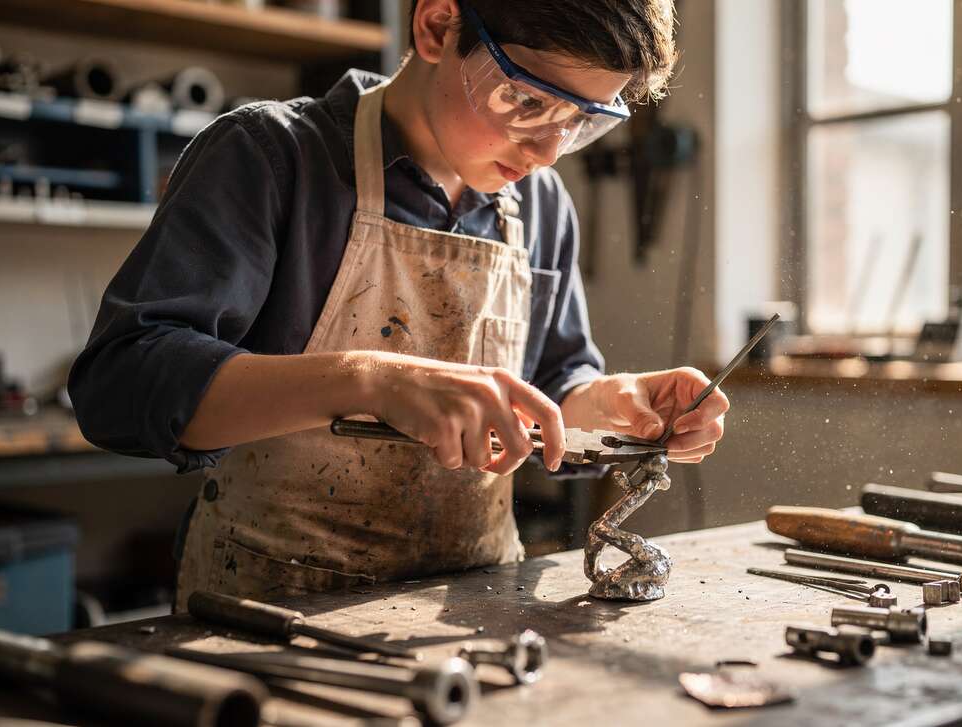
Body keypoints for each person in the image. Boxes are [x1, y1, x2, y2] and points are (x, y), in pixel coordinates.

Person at [69, 0, 729, 611]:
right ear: (438, 27)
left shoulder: (543, 208)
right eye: (527, 101)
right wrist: (371, 380)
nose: (549, 151)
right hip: (267, 612)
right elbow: (119, 382)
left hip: (471, 612)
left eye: (583, 119)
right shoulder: (271, 159)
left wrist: (610, 404)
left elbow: (552, 391)